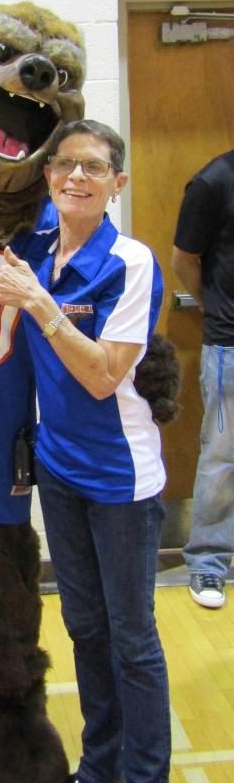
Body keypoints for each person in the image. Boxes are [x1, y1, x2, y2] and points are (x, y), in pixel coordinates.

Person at [0, 119, 170, 783]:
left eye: (92, 168)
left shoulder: (130, 262)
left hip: (122, 481)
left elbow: (102, 375)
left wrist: (37, 302)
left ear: (115, 184)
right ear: (47, 176)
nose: (75, 177)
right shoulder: (31, 245)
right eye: (64, 164)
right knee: (85, 628)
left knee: (132, 642)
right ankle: (99, 773)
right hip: (60, 473)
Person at [172, 150, 234, 610]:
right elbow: (184, 261)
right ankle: (209, 563)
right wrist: (213, 308)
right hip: (230, 344)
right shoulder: (213, 181)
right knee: (222, 458)